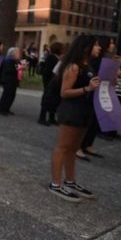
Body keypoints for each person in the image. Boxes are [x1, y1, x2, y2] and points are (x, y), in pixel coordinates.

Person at [49, 34, 101, 202]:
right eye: (96, 45)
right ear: (86, 47)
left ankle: (70, 181)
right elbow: (64, 92)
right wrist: (87, 89)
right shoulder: (73, 66)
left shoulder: (88, 65)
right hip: (72, 110)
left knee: (73, 149)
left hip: (84, 111)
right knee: (63, 147)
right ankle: (56, 183)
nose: (99, 48)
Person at [38, 41, 64, 126]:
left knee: (53, 100)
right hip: (49, 81)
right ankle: (42, 117)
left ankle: (51, 117)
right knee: (47, 99)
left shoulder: (57, 58)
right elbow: (48, 71)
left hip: (54, 82)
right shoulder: (51, 58)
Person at [0, 47, 22, 116]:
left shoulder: (16, 61)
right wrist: (19, 68)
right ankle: (1, 109)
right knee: (6, 95)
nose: (19, 54)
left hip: (13, 80)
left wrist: (20, 67)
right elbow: (9, 70)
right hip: (8, 80)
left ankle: (7, 108)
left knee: (11, 95)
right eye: (17, 53)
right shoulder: (8, 60)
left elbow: (18, 68)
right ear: (12, 54)